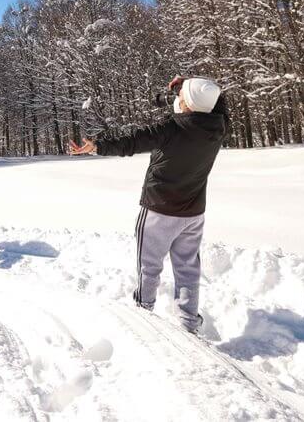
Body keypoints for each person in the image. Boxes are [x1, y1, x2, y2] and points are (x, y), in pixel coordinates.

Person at [68, 76, 229, 333]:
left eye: (181, 96)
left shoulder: (171, 129)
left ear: (188, 104)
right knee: (188, 268)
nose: (176, 98)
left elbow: (133, 141)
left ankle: (143, 316)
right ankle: (188, 323)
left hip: (158, 210)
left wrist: (97, 146)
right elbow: (217, 101)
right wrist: (187, 86)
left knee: (149, 266)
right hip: (193, 213)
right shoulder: (218, 127)